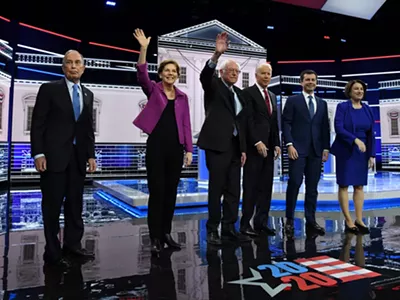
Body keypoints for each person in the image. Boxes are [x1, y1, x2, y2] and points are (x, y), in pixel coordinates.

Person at [30, 50, 96, 269]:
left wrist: (91, 154)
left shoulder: (88, 94)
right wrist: (38, 153)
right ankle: (53, 253)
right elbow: (37, 123)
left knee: (75, 205)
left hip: (77, 160)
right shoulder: (49, 89)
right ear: (63, 67)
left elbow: (87, 128)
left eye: (78, 62)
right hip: (53, 158)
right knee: (52, 206)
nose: (73, 66)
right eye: (69, 63)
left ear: (83, 67)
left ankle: (73, 247)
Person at [132, 29, 193, 254]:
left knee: (170, 192)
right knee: (157, 192)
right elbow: (141, 75)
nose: (169, 74)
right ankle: (155, 236)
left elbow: (186, 124)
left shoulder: (182, 97)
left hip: (175, 150)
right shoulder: (154, 90)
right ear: (161, 73)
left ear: (177, 75)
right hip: (156, 147)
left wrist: (188, 150)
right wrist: (144, 49)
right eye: (166, 70)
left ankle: (166, 233)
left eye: (173, 71)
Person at [197, 32, 251, 245]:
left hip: (236, 149)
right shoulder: (213, 86)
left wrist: (244, 149)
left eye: (237, 71)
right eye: (231, 71)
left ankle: (229, 228)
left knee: (233, 191)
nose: (235, 74)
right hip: (217, 147)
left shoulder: (239, 93)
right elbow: (204, 76)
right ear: (221, 72)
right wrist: (216, 54)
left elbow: (242, 124)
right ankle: (212, 230)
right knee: (216, 189)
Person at [282, 70, 330, 236]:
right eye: (307, 79)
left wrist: (325, 148)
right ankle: (289, 220)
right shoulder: (293, 101)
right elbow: (286, 124)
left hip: (316, 151)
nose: (311, 82)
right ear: (301, 82)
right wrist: (289, 145)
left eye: (313, 80)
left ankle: (311, 220)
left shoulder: (322, 103)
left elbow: (325, 127)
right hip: (297, 150)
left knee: (312, 187)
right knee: (294, 183)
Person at [240, 63, 281, 237]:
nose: (266, 76)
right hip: (253, 148)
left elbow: (273, 123)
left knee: (266, 187)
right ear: (256, 75)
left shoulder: (271, 95)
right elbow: (247, 120)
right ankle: (245, 224)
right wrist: (256, 141)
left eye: (268, 74)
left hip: (269, 149)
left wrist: (277, 143)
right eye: (263, 73)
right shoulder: (247, 93)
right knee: (251, 187)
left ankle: (261, 223)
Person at [330, 79, 375, 234]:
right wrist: (355, 140)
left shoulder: (368, 109)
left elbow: (371, 134)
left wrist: (372, 155)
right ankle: (349, 220)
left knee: (359, 186)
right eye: (356, 89)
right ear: (350, 91)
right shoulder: (342, 107)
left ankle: (359, 219)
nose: (359, 91)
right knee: (344, 185)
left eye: (361, 89)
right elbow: (339, 128)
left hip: (361, 152)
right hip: (346, 149)